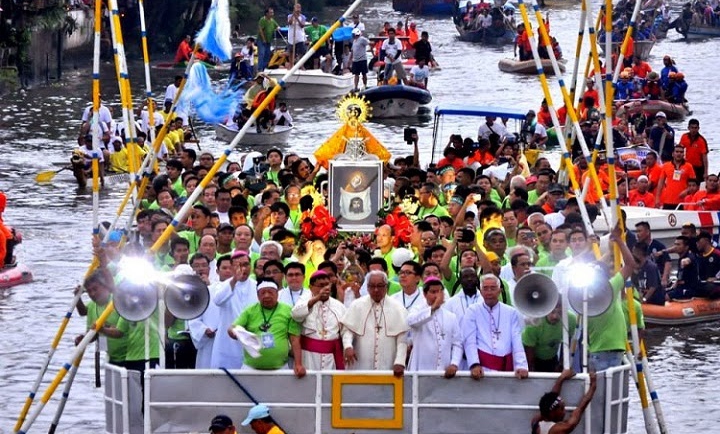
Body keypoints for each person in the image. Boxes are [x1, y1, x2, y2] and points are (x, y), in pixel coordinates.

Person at [583, 226, 635, 371]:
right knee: (608, 392)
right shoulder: (610, 287)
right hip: (609, 349)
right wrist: (619, 241)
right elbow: (631, 264)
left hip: (597, 350)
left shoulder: (581, 293)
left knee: (600, 390)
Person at [230, 279, 305, 377]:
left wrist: (298, 364)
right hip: (251, 368)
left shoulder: (288, 311)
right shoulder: (250, 311)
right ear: (257, 296)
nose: (266, 296)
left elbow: (295, 340)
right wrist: (235, 332)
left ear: (277, 294)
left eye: (270, 292)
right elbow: (233, 328)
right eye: (263, 293)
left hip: (280, 368)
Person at [341, 270, 409, 375]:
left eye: (380, 286)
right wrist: (348, 346)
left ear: (386, 287)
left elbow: (402, 339)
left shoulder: (397, 308)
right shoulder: (357, 305)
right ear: (367, 287)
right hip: (360, 363)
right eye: (372, 286)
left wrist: (400, 361)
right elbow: (348, 330)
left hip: (388, 364)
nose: (376, 290)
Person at [462, 274, 529, 378]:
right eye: (485, 288)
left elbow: (516, 340)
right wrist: (474, 364)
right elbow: (469, 340)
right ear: (480, 291)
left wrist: (521, 365)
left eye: (493, 288)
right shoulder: (472, 311)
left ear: (500, 290)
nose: (489, 292)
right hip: (482, 368)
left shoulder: (511, 312)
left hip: (506, 367)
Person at [291, 270, 352, 370]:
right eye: (320, 285)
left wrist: (347, 346)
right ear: (311, 287)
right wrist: (317, 298)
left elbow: (346, 330)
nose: (325, 288)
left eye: (327, 285)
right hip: (309, 356)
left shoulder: (339, 306)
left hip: (331, 357)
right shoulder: (304, 300)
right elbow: (296, 315)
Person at [406, 277, 462, 376]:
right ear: (424, 294)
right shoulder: (417, 310)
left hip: (444, 371)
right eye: (433, 292)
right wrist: (432, 309)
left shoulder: (451, 316)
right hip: (420, 370)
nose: (437, 295)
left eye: (440, 292)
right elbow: (411, 321)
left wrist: (454, 364)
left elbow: (457, 343)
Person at [210, 251, 257, 369]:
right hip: (228, 342)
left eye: (246, 264)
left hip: (250, 341)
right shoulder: (223, 285)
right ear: (231, 268)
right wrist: (234, 280)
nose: (242, 268)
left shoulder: (257, 286)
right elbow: (218, 300)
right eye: (238, 265)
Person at [531, 370, 597, 434]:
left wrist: (561, 378)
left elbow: (551, 400)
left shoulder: (535, 422)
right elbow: (580, 408)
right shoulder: (560, 429)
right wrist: (593, 386)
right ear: (552, 413)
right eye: (562, 409)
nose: (564, 411)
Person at [522, 303, 577, 372]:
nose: (555, 316)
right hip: (534, 357)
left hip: (552, 357)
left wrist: (561, 364)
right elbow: (529, 353)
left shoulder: (570, 319)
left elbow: (566, 342)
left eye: (560, 312)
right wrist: (531, 371)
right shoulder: (534, 322)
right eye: (552, 311)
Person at [655, 145, 696, 210]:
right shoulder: (666, 166)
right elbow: (660, 183)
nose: (679, 154)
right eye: (677, 152)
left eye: (681, 152)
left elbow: (694, 184)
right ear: (673, 154)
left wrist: (687, 191)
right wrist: (657, 198)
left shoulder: (689, 166)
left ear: (683, 154)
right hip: (668, 200)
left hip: (683, 201)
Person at [257, 8, 279, 72]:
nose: (272, 14)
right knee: (261, 53)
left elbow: (277, 26)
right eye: (271, 12)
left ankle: (264, 67)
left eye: (272, 12)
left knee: (267, 54)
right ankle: (260, 69)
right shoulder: (263, 20)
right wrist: (263, 39)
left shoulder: (272, 20)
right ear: (267, 13)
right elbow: (260, 30)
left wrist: (277, 28)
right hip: (261, 40)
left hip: (269, 41)